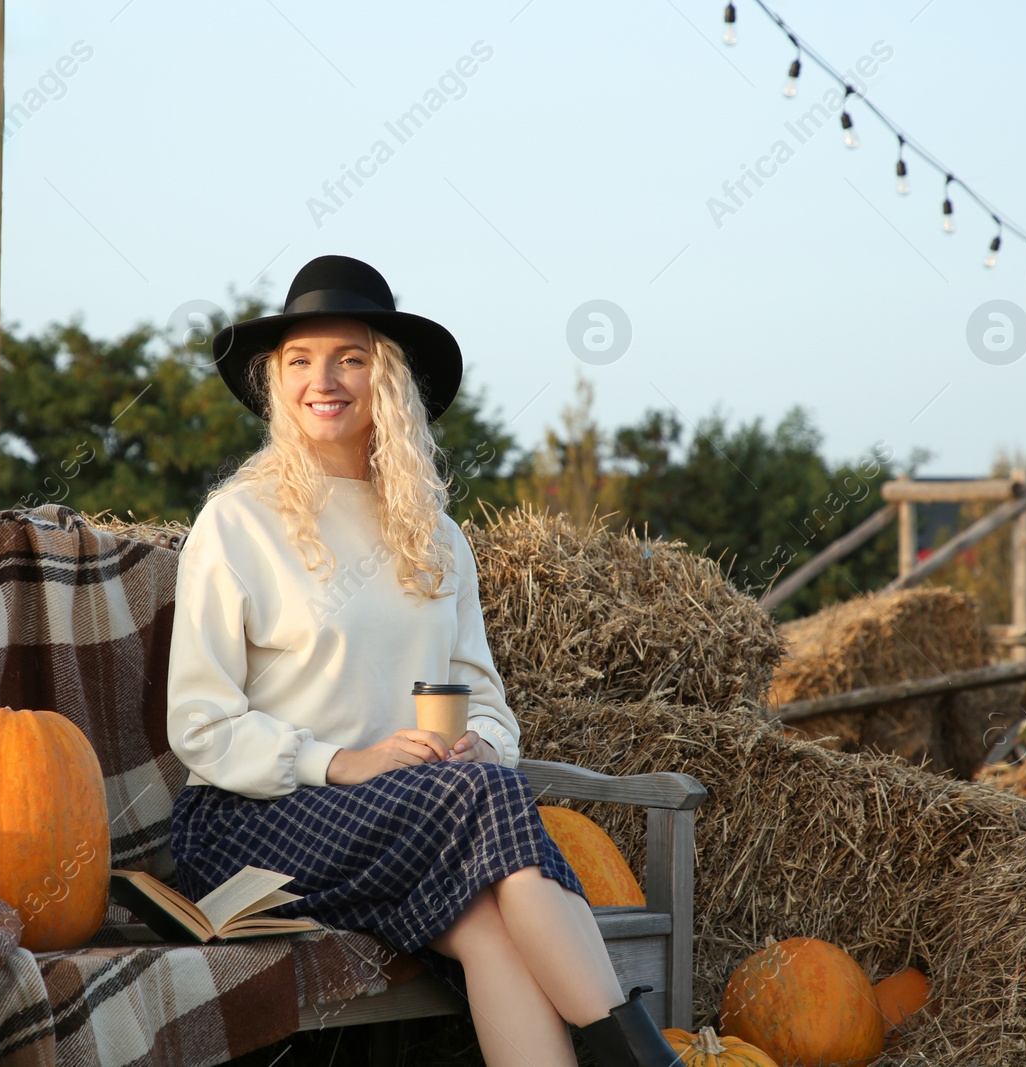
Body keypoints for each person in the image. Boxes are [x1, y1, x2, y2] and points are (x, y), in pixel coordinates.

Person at [165, 255, 685, 1066]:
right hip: (254, 827)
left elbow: (484, 700)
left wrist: (479, 741)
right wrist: (345, 763)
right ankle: (646, 1057)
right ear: (276, 381)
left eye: (350, 357)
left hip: (421, 818)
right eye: (299, 359)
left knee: (489, 927)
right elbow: (200, 725)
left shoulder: (435, 536)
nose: (322, 379)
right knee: (485, 796)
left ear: (390, 379)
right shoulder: (237, 523)